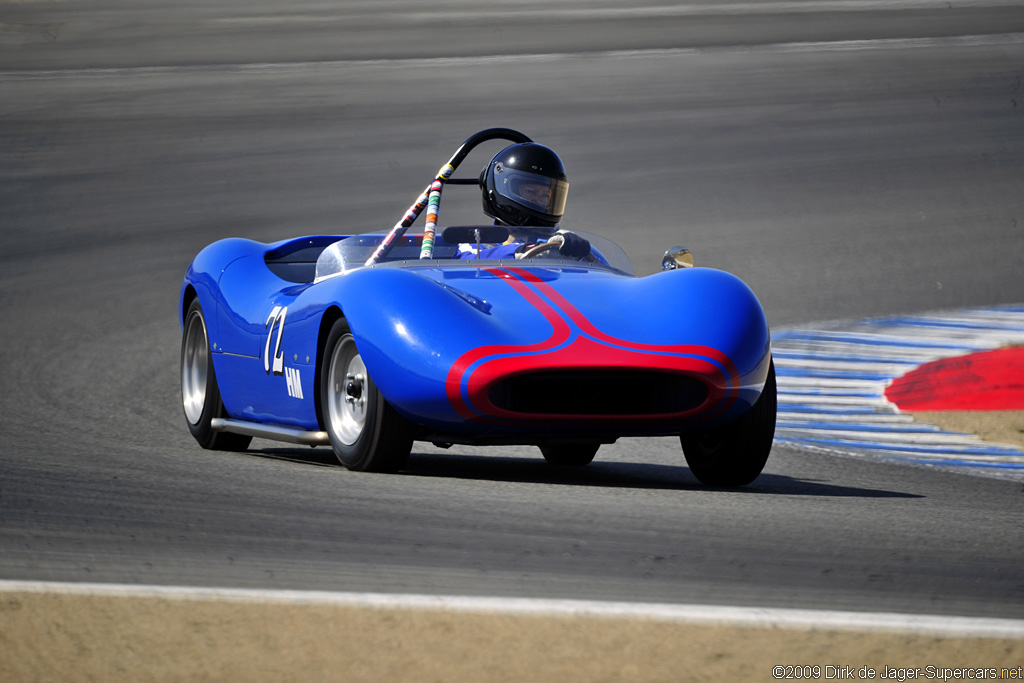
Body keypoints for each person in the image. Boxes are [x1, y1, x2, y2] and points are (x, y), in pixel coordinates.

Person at [456, 142, 591, 259]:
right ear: (505, 190)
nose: (539, 201)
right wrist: (520, 252)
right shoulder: (478, 242)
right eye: (530, 191)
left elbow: (598, 265)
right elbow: (468, 262)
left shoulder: (555, 243)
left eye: (545, 196)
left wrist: (576, 248)